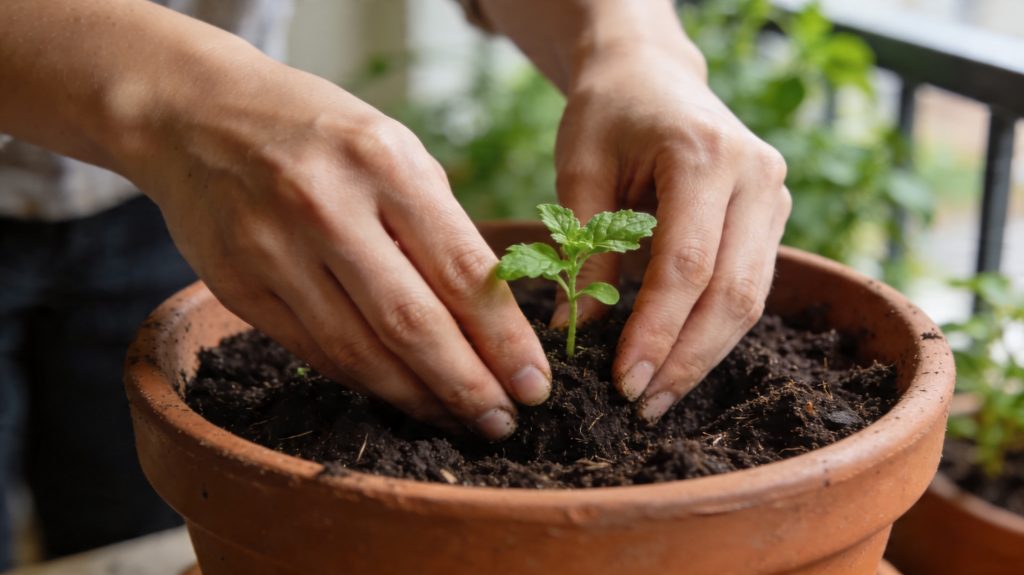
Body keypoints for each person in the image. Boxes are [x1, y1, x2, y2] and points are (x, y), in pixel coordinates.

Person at [0, 0, 790, 567]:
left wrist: (629, 40)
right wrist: (172, 95)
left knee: (134, 517)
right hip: (176, 151)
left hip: (166, 204)